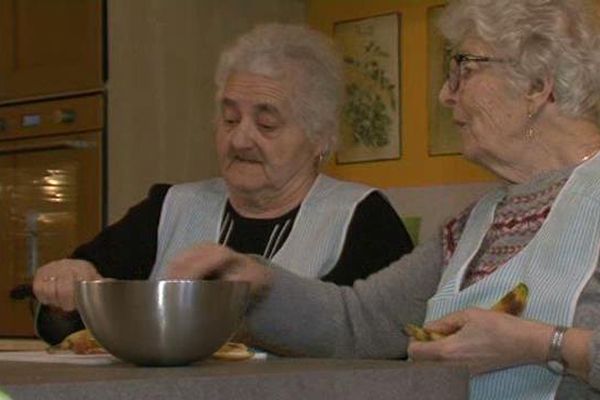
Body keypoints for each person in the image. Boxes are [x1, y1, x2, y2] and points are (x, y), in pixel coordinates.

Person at [151, 1, 600, 398]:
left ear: (536, 86)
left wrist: (545, 344)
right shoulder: (478, 223)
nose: (446, 94)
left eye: (465, 67)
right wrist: (258, 282)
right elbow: (358, 324)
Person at [32, 24, 413, 345]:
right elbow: (70, 326)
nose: (240, 140)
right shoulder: (168, 207)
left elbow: (387, 343)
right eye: (230, 119)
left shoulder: (363, 219)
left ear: (321, 138)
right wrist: (64, 291)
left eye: (267, 125)